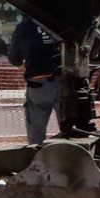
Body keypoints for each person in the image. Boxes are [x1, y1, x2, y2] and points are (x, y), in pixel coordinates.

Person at [7, 14, 64, 146]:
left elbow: (15, 59)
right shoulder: (59, 23)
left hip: (37, 85)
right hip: (63, 83)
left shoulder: (24, 28)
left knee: (36, 140)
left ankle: (38, 163)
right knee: (72, 133)